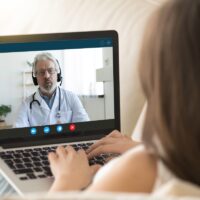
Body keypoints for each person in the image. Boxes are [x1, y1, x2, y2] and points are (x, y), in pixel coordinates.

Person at [47, 0, 200, 194]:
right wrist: (143, 148)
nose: (47, 76)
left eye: (51, 71)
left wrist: (66, 181)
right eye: (43, 72)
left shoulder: (140, 169)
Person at [15, 52, 89, 128]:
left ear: (58, 74)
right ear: (35, 77)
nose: (46, 76)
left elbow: (85, 126)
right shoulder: (26, 104)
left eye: (50, 70)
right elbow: (18, 131)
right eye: (41, 72)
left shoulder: (71, 98)